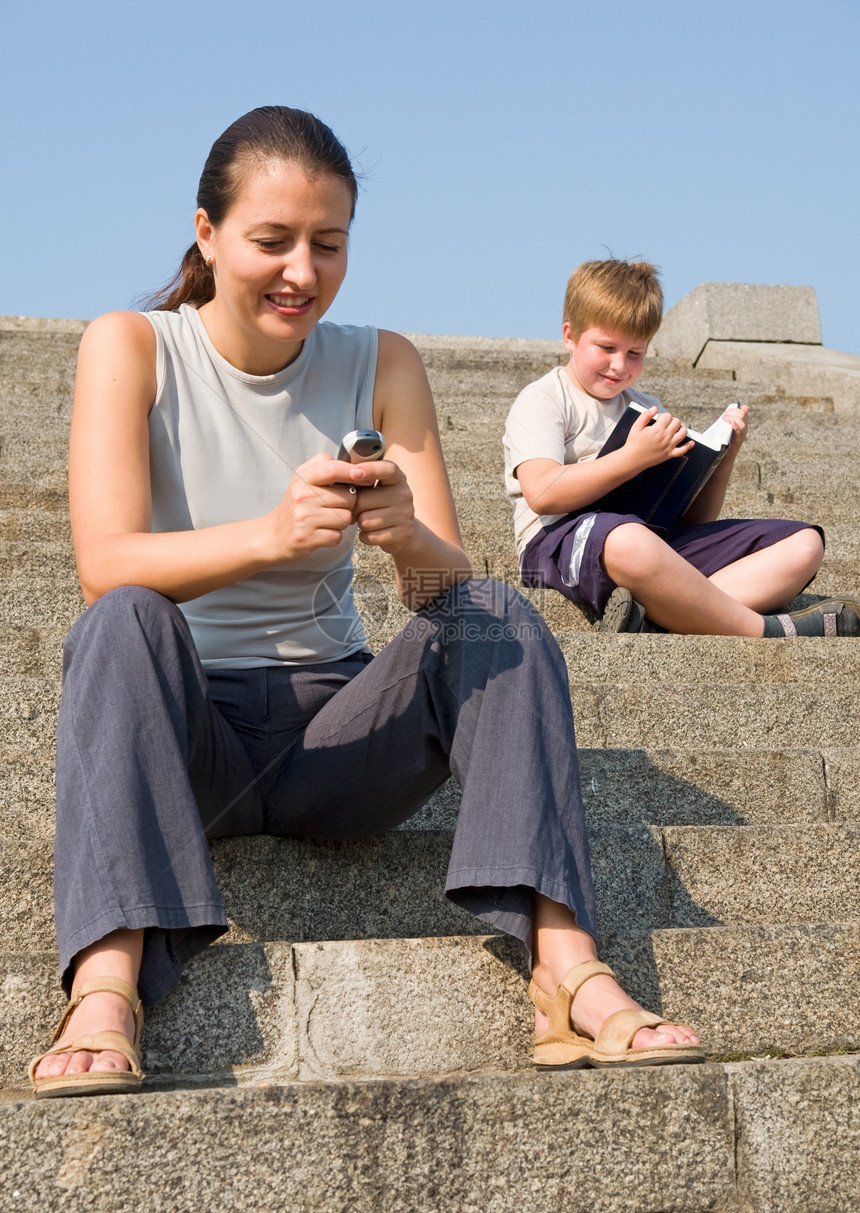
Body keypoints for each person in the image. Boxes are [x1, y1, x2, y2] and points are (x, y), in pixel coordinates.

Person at [30, 110, 703, 1098]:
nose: (301, 270)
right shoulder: (131, 347)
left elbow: (441, 590)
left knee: (495, 614)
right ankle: (104, 983)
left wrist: (401, 532)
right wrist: (269, 532)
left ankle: (566, 970)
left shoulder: (381, 361)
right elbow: (105, 563)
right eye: (271, 241)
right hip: (187, 737)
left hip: (335, 739)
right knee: (120, 619)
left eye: (328, 244)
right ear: (208, 236)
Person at [504, 258, 860, 636]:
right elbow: (542, 493)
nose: (619, 365)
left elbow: (692, 523)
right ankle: (764, 631)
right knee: (629, 539)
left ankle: (664, 619)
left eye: (635, 353)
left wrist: (722, 459)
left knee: (804, 545)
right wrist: (631, 458)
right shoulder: (544, 398)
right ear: (569, 336)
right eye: (606, 347)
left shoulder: (645, 405)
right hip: (559, 543)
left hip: (652, 542)